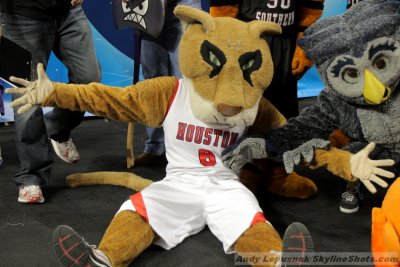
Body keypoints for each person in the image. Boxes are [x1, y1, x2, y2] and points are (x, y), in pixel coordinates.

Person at [0, 0, 101, 203]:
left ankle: (56, 128)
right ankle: (31, 176)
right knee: (27, 96)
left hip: (69, 11)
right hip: (23, 17)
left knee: (89, 80)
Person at [209, 0, 324, 119]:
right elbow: (223, 10)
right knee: (245, 109)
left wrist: (304, 43)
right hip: (250, 39)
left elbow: (310, 8)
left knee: (283, 110)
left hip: (286, 43)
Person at [134, 0, 202, 166]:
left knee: (186, 81)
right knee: (154, 81)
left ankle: (189, 151)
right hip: (148, 7)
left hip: (184, 6)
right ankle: (155, 147)